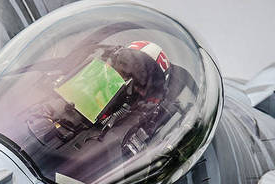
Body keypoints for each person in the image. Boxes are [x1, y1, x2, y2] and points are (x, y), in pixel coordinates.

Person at [26, 40, 171, 158]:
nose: (124, 79)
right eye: (124, 66)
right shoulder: (76, 89)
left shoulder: (126, 136)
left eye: (140, 82)